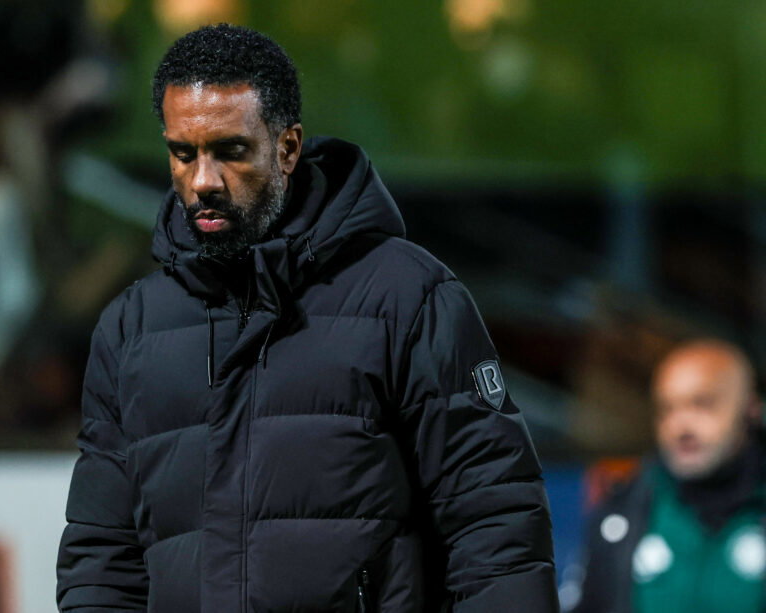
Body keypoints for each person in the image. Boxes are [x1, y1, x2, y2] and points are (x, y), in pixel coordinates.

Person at [56, 24, 557, 612]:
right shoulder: (131, 327)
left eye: (230, 151)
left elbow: (494, 526)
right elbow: (103, 555)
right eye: (182, 154)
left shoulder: (409, 298)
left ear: (288, 148)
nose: (202, 181)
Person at [573, 339, 765, 613]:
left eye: (703, 404)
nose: (680, 426)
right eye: (667, 409)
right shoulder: (621, 512)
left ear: (750, 408)